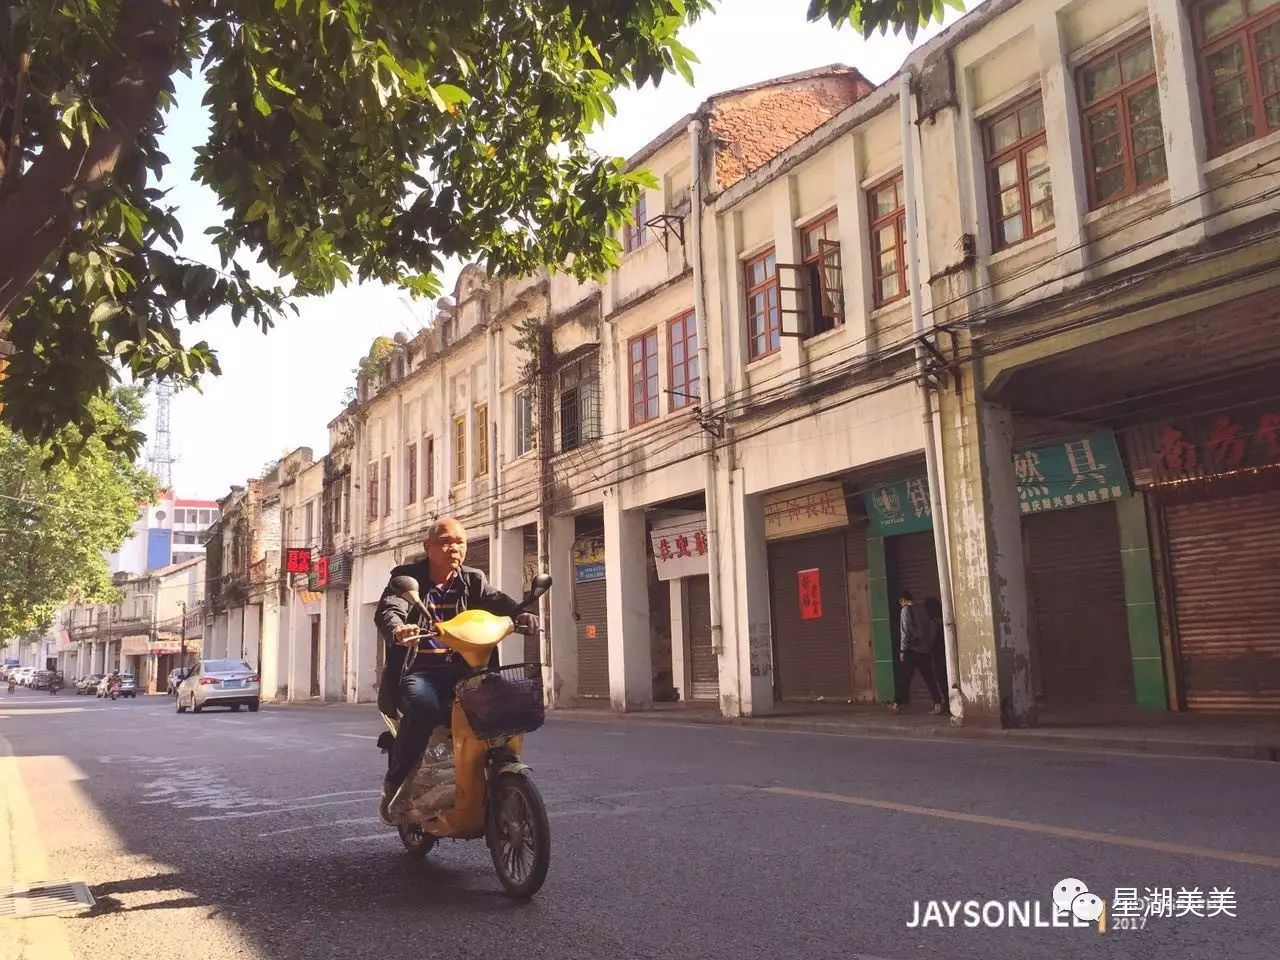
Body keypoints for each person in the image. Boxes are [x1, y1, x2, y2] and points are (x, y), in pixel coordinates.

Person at [373, 517, 536, 824]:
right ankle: (395, 783)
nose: (454, 548)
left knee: (509, 703)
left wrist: (521, 613)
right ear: (427, 547)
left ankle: (498, 770)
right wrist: (399, 629)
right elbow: (389, 609)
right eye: (446, 541)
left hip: (467, 672)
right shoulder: (407, 578)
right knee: (424, 707)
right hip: (422, 672)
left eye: (460, 542)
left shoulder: (473, 579)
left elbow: (497, 601)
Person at [890, 590, 943, 715]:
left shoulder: (905, 611)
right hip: (924, 650)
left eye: (900, 602)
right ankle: (938, 704)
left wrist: (903, 649)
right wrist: (928, 644)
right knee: (929, 678)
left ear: (902, 600)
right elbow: (931, 628)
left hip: (912, 650)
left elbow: (905, 631)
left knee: (904, 678)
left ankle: (896, 704)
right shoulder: (923, 609)